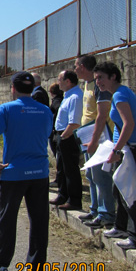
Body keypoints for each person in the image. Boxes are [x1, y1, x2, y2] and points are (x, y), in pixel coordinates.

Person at [0, 71, 53, 271]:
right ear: (32, 88)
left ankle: (1, 266)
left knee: (7, 219)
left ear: (12, 88)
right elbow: (47, 135)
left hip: (13, 173)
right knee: (39, 220)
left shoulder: (6, 108)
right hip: (40, 173)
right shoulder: (45, 111)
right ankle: (37, 270)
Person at [93, 62, 136, 250]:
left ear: (113, 76)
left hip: (129, 150)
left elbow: (128, 124)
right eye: (96, 78)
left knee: (131, 194)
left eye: (101, 78)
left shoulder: (120, 95)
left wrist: (116, 151)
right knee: (119, 190)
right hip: (125, 149)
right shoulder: (120, 94)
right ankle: (121, 227)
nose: (97, 82)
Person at [74, 55, 115, 228]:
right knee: (91, 175)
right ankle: (95, 209)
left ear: (82, 67)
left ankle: (106, 214)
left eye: (76, 66)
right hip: (89, 138)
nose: (74, 69)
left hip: (100, 139)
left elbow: (102, 115)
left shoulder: (101, 88)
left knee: (101, 176)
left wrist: (94, 140)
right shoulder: (86, 84)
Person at [50, 70, 84, 210]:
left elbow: (74, 122)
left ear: (68, 81)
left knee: (71, 169)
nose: (58, 83)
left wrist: (63, 136)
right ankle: (63, 195)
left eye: (60, 80)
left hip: (68, 136)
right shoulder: (67, 95)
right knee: (62, 169)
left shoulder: (75, 97)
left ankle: (74, 200)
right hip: (62, 135)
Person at [48, 83, 64, 187]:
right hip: (56, 130)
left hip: (55, 131)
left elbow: (58, 110)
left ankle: (59, 180)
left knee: (58, 156)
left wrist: (54, 122)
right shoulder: (62, 99)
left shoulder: (57, 101)